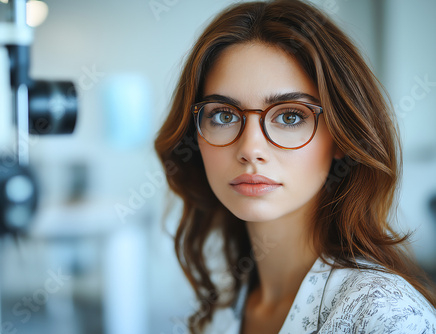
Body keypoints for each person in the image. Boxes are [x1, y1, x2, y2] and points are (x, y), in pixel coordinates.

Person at [154, 0, 436, 333]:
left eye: (290, 116)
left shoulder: (383, 316)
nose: (250, 150)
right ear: (194, 137)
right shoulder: (223, 307)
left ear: (342, 140)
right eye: (224, 115)